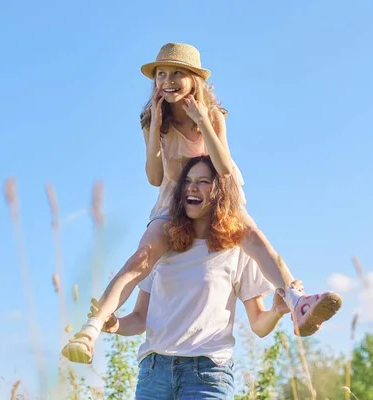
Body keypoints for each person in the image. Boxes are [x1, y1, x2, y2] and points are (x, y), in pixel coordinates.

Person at [62, 43, 341, 364]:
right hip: (175, 198)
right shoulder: (152, 120)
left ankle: (297, 303)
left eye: (176, 73)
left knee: (255, 239)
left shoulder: (214, 115)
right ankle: (91, 330)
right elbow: (154, 177)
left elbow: (223, 166)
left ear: (194, 78)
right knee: (140, 259)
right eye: (160, 74)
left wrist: (203, 121)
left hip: (219, 194)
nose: (166, 80)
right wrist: (154, 127)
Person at [96, 155, 295, 399]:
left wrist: (276, 312)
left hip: (208, 375)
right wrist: (115, 324)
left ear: (220, 193)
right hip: (154, 374)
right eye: (188, 181)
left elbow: (258, 325)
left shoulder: (236, 249)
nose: (192, 187)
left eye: (202, 181)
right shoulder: (162, 245)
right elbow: (140, 318)